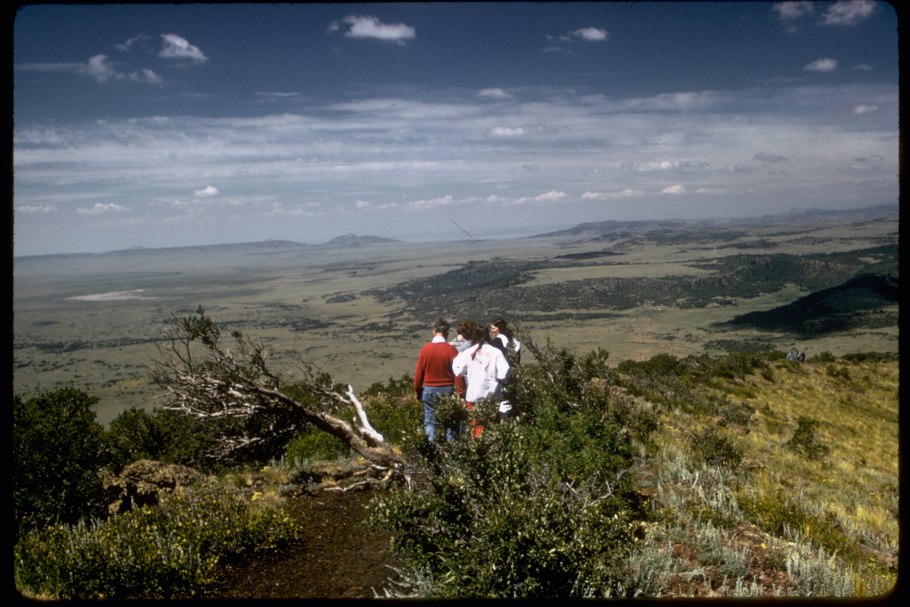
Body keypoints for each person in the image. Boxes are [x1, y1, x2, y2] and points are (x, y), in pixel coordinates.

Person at [452, 320, 510, 438]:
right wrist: (499, 380)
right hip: (492, 396)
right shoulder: (496, 352)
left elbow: (458, 371)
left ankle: (478, 448)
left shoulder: (468, 352)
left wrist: (457, 358)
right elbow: (504, 372)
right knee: (492, 425)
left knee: (476, 425)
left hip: (474, 395)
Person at [414, 318, 465, 442]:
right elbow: (457, 374)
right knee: (450, 422)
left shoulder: (425, 349)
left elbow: (418, 374)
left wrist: (417, 391)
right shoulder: (451, 350)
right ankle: (451, 449)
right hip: (447, 389)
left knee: (430, 422)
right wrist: (461, 392)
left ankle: (430, 450)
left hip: (429, 390)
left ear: (433, 331)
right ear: (447, 332)